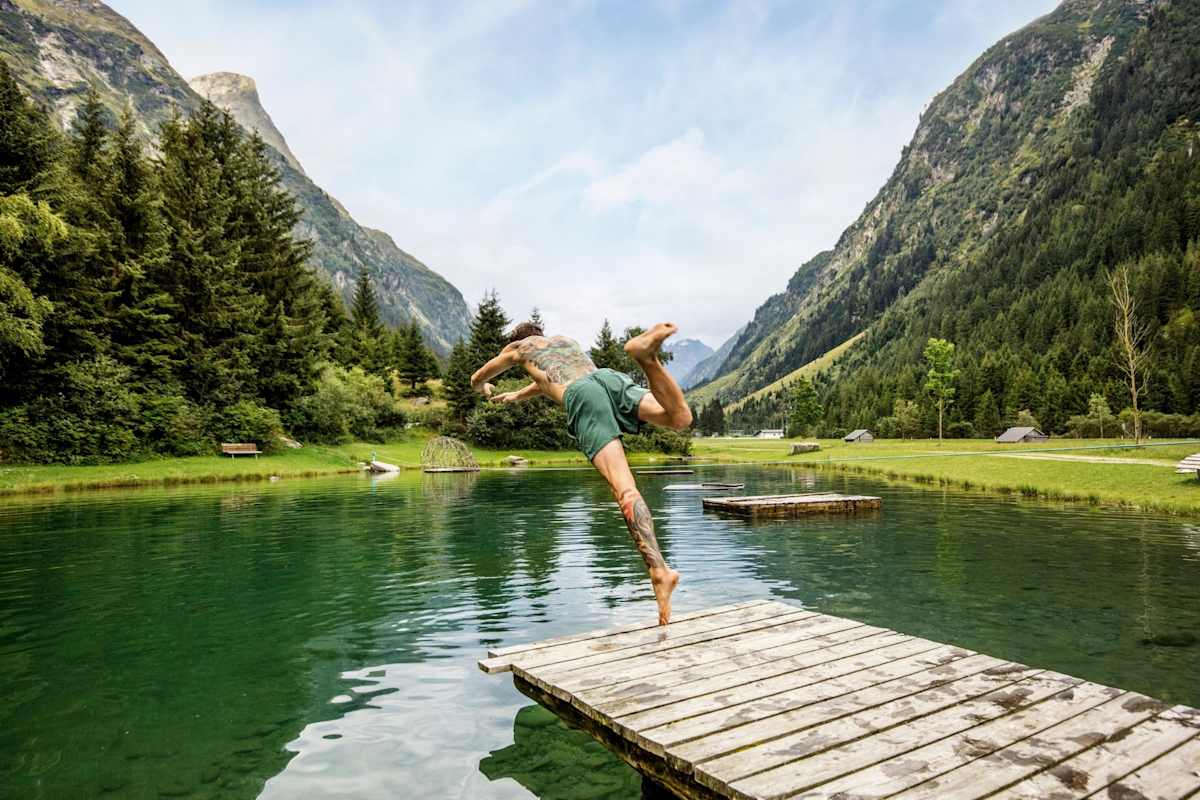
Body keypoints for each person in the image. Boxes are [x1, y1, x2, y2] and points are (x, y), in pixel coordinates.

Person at [471, 321, 692, 624]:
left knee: (625, 488)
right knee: (679, 418)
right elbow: (548, 380)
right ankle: (647, 359)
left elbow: (477, 377)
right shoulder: (564, 341)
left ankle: (659, 572)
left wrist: (484, 387)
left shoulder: (518, 349)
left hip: (583, 396)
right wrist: (516, 395)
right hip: (606, 379)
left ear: (518, 341)